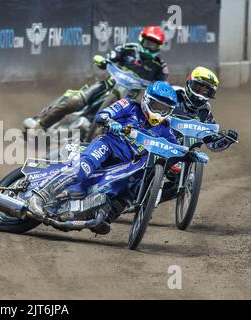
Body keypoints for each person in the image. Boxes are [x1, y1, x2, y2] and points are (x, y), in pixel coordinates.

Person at [26, 81, 209, 233]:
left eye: (164, 109)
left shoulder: (164, 129)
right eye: (156, 106)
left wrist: (191, 154)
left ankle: (103, 215)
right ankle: (39, 196)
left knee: (134, 187)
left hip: (127, 162)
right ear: (146, 101)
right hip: (108, 145)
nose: (158, 112)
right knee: (82, 169)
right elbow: (102, 114)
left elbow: (174, 149)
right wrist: (110, 122)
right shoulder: (129, 105)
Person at [25, 26, 170, 130]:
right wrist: (103, 61)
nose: (150, 46)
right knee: (74, 102)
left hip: (132, 97)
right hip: (107, 85)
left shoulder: (160, 66)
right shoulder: (127, 49)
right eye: (148, 42)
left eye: (154, 44)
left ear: (159, 47)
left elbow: (162, 86)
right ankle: (40, 125)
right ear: (141, 39)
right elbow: (110, 58)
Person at [172, 66, 238, 151]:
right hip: (158, 148)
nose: (201, 95)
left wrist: (227, 140)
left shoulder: (205, 111)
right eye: (198, 88)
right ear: (189, 83)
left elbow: (212, 144)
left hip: (185, 157)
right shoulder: (172, 94)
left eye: (207, 92)